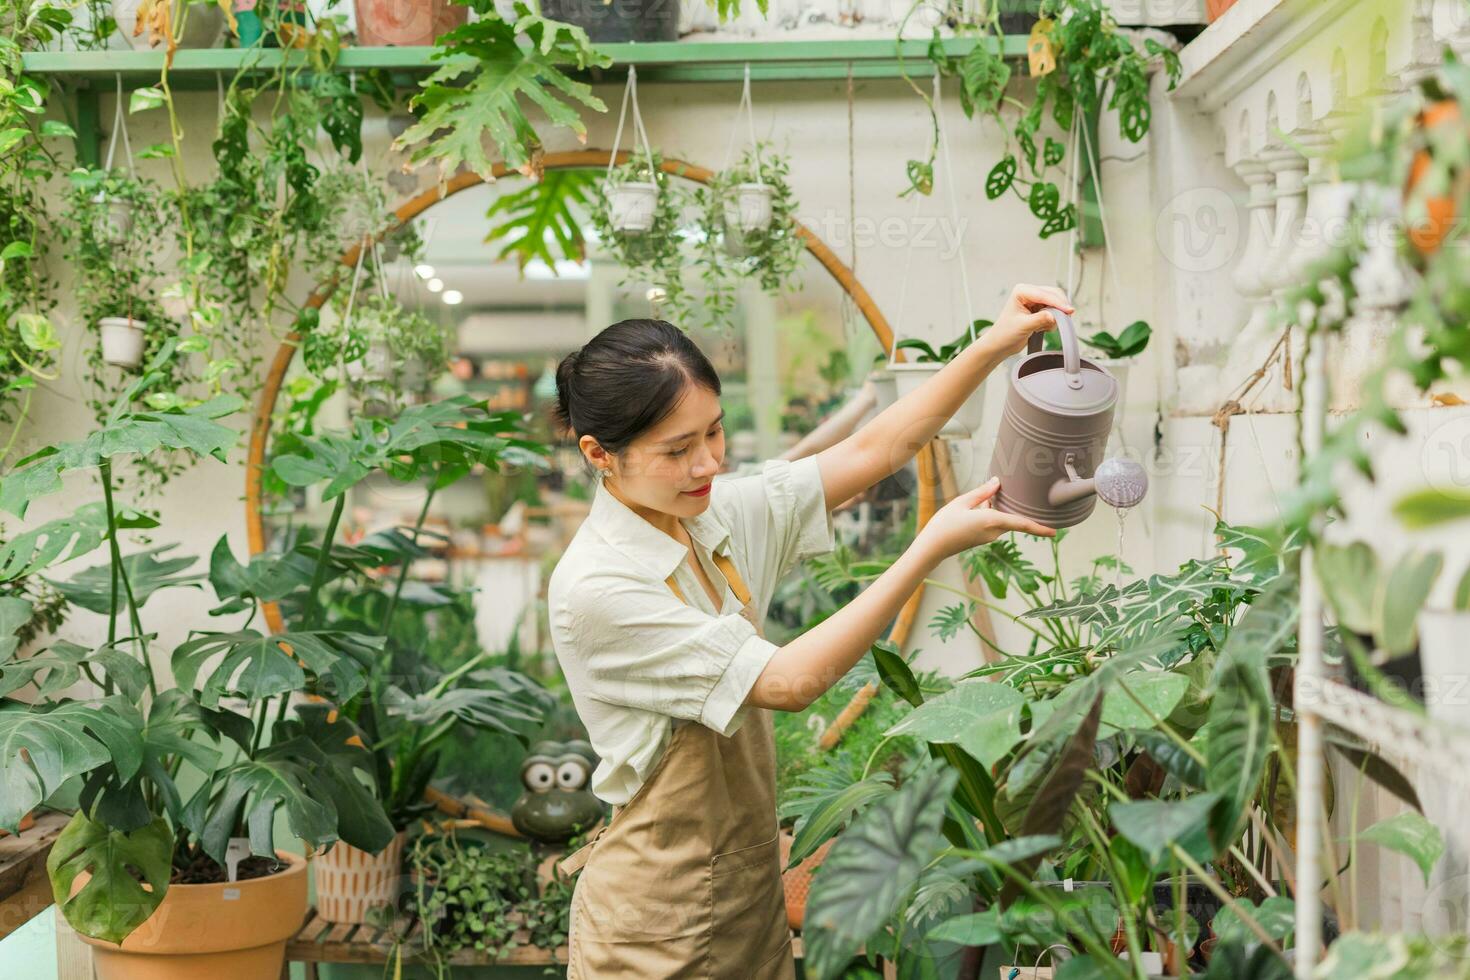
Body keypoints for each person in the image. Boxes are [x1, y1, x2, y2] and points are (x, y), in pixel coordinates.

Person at [548, 284, 1069, 978]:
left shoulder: (712, 514)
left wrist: (995, 345)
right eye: (677, 450)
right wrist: (928, 547)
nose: (709, 463)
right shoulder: (597, 588)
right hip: (652, 931)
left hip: (749, 904)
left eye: (714, 431)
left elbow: (878, 445)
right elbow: (789, 684)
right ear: (598, 453)